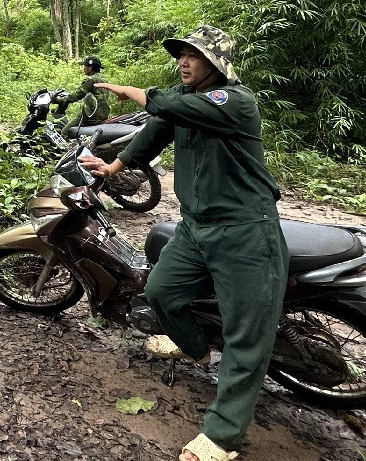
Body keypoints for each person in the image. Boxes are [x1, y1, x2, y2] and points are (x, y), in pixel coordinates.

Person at [79, 25, 289, 461]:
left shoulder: (234, 102)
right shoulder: (185, 101)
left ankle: (223, 436)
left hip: (245, 231)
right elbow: (152, 133)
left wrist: (126, 89)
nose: (184, 62)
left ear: (217, 64)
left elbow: (164, 103)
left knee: (246, 339)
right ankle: (193, 347)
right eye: (181, 55)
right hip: (196, 228)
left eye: (194, 56)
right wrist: (112, 167)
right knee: (160, 291)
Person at [58, 55, 111, 128]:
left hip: (92, 116)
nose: (83, 68)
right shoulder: (104, 79)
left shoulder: (91, 79)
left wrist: (61, 100)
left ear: (90, 68)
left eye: (85, 66)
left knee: (66, 131)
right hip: (104, 115)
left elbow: (77, 95)